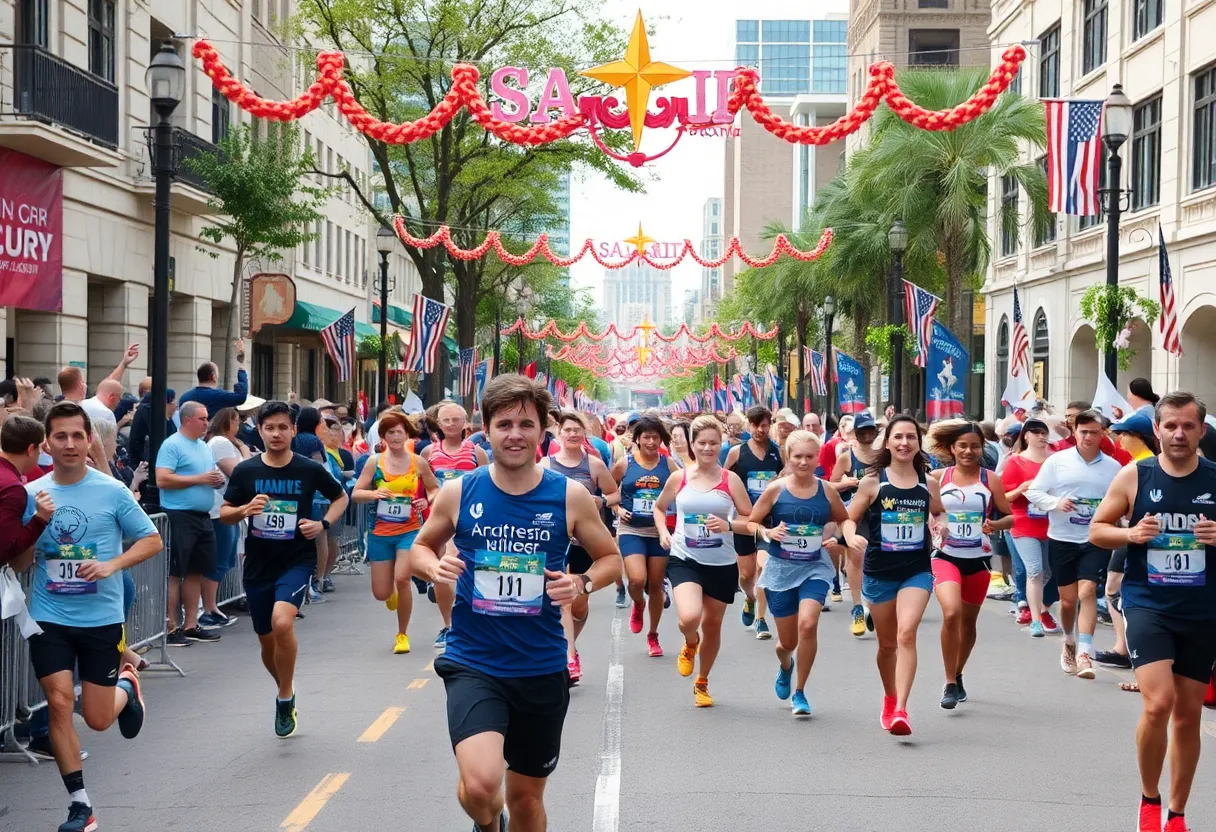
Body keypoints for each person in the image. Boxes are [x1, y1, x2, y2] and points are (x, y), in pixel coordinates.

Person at [409, 375, 621, 832]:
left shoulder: (569, 495)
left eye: (526, 424)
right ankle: (488, 824)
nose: (515, 434)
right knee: (483, 787)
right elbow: (421, 548)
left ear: (543, 430)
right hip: (474, 660)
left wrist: (580, 583)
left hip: (541, 666)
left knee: (525, 799)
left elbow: (611, 560)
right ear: (485, 429)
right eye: (504, 423)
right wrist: (434, 568)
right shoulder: (459, 492)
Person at [18, 402, 161, 832]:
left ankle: (127, 685)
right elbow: (23, 561)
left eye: (77, 436)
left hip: (101, 617)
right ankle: (81, 805)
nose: (69, 444)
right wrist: (36, 526)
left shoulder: (112, 491)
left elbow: (151, 540)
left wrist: (111, 565)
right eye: (60, 436)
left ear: (88, 440)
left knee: (98, 719)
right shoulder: (32, 494)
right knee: (60, 703)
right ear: (47, 442)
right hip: (49, 615)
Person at [1089, 392, 1216, 832]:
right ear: (1157, 431)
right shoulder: (1134, 475)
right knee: (1159, 703)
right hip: (1149, 603)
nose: (1179, 433)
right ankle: (1149, 798)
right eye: (1170, 426)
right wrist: (1132, 535)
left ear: (1201, 430)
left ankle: (1177, 814)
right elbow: (1098, 530)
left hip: (1203, 609)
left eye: (1188, 426)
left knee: (1188, 715)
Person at [220, 400, 348, 738]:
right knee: (266, 641)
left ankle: (284, 694)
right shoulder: (247, 471)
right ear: (260, 431)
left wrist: (321, 524)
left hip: (297, 558)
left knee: (281, 621)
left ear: (293, 430)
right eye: (269, 428)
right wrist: (246, 509)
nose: (276, 433)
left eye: (283, 427)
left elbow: (341, 498)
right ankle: (285, 688)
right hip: (259, 563)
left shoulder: (308, 468)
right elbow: (224, 512)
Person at [842, 415, 944, 736]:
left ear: (918, 443)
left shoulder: (929, 483)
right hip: (878, 572)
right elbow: (848, 518)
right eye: (897, 437)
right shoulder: (873, 483)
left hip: (916, 570)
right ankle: (889, 697)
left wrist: (939, 524)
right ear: (887, 443)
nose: (904, 442)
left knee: (906, 635)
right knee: (887, 645)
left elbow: (938, 510)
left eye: (910, 437)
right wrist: (850, 536)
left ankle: (901, 709)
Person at [653, 415, 753, 707]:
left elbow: (749, 518)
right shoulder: (679, 477)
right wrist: (663, 532)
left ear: (721, 445)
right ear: (692, 445)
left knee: (712, 625)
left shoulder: (729, 480)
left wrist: (729, 526)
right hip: (685, 557)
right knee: (689, 618)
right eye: (703, 443)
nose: (708, 448)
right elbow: (659, 509)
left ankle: (702, 681)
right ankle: (689, 643)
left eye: (714, 443)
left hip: (721, 563)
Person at [746, 430, 848, 715]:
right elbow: (752, 523)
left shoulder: (827, 490)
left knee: (808, 624)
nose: (804, 462)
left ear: (818, 459)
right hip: (781, 569)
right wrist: (768, 531)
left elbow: (843, 520)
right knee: (786, 643)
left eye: (810, 456)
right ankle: (785, 665)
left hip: (814, 566)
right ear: (788, 458)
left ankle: (800, 692)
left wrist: (836, 537)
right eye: (798, 456)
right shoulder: (775, 489)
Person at [1026, 409, 1123, 679]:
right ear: (1074, 431)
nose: (1088, 437)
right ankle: (1069, 640)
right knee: (1067, 602)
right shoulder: (1058, 461)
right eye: (1083, 432)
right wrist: (1055, 503)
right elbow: (1034, 491)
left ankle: (1084, 652)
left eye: (1094, 432)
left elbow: (1121, 501)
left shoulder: (1113, 468)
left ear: (1103, 432)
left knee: (1087, 591)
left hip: (1095, 538)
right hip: (1063, 537)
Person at [926, 421, 1013, 709]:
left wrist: (995, 524)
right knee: (951, 613)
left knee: (968, 623)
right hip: (945, 557)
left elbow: (1010, 517)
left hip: (978, 560)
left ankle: (959, 672)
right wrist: (936, 526)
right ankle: (949, 682)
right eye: (962, 445)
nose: (968, 451)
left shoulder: (991, 480)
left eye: (974, 446)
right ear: (952, 448)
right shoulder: (939, 478)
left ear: (981, 449)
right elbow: (930, 513)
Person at [351, 409, 440, 654]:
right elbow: (356, 494)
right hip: (381, 532)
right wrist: (375, 493)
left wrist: (427, 501)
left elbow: (434, 489)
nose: (395, 437)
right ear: (383, 437)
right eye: (390, 433)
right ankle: (390, 594)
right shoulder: (374, 462)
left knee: (402, 578)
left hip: (410, 530)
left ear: (408, 435)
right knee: (381, 593)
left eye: (399, 432)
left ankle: (402, 634)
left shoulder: (417, 462)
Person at [542, 411, 619, 684]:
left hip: (585, 540)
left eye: (577, 430)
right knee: (562, 601)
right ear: (558, 433)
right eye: (568, 430)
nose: (572, 434)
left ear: (584, 434)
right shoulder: (545, 464)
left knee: (578, 604)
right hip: (556, 540)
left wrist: (601, 502)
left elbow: (615, 493)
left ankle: (569, 645)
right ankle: (568, 655)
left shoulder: (594, 465)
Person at [1097, 410, 1163, 675]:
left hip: (1140, 536)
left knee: (1114, 590)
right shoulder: (1134, 463)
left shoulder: (1146, 465)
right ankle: (1124, 648)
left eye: (1124, 433)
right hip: (1129, 534)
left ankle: (1130, 650)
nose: (1119, 438)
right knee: (1112, 589)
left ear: (1139, 436)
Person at [422, 402, 490, 651]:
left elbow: (486, 486)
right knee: (442, 571)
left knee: (466, 568)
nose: (451, 424)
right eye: (446, 420)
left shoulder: (477, 453)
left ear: (465, 423)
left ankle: (471, 622)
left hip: (471, 519)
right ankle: (449, 625)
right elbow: (424, 485)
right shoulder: (429, 453)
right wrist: (424, 499)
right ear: (438, 424)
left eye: (455, 420)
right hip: (440, 519)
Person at [156, 401, 225, 645]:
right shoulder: (172, 444)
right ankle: (170, 626)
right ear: (187, 420)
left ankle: (191, 625)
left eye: (207, 418)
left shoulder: (203, 447)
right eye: (202, 418)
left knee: (196, 571)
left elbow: (206, 476)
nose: (207, 423)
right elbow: (162, 479)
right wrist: (201, 478)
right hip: (179, 515)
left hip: (201, 516)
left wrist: (214, 481)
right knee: (175, 572)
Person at [613, 415, 681, 657]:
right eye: (646, 437)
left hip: (659, 531)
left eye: (655, 437)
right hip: (631, 529)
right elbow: (610, 490)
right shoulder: (625, 463)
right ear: (638, 440)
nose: (651, 442)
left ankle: (653, 635)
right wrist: (617, 509)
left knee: (655, 584)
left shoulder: (669, 465)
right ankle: (637, 604)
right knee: (637, 580)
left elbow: (682, 489)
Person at [725, 405, 785, 638]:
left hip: (769, 521)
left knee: (763, 565)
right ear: (748, 426)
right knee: (746, 574)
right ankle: (749, 598)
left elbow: (787, 478)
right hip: (743, 520)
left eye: (764, 425)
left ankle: (761, 619)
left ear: (770, 425)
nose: (760, 429)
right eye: (755, 425)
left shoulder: (778, 452)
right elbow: (724, 479)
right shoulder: (736, 453)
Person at [1001, 418, 1061, 636]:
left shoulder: (1055, 461)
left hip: (1051, 523)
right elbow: (1004, 498)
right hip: (1023, 523)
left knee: (1047, 573)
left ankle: (1041, 609)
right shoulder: (1015, 461)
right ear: (1026, 436)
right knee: (1034, 571)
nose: (1041, 437)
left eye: (1044, 433)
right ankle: (1036, 620)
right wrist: (1021, 489)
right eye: (1036, 433)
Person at [832, 411, 880, 637]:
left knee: (876, 557)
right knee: (855, 556)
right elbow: (832, 483)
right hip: (854, 512)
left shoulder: (884, 455)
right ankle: (857, 607)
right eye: (863, 431)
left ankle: (872, 601)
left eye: (871, 430)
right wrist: (847, 482)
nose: (867, 434)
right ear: (856, 433)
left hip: (879, 511)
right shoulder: (847, 456)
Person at [202, 407, 249, 629]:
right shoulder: (220, 443)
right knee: (219, 558)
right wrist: (247, 454)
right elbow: (239, 472)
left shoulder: (226, 443)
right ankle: (208, 606)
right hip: (218, 508)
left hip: (227, 507)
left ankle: (213, 605)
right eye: (236, 420)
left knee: (227, 557)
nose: (238, 425)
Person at [1, 415, 53, 567]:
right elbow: (7, 549)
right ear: (31, 449)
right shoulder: (12, 489)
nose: (40, 455)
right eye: (40, 449)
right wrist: (40, 519)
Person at [177, 340, 250, 416]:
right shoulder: (218, 396)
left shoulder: (184, 398)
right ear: (214, 377)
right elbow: (241, 397)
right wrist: (242, 365)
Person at [128, 387, 177, 467]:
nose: (176, 405)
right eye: (174, 400)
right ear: (167, 402)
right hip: (148, 466)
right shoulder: (150, 414)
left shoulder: (165, 418)